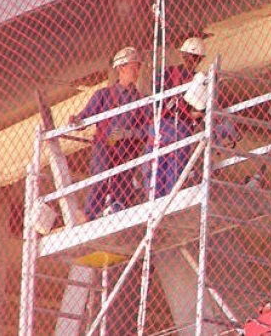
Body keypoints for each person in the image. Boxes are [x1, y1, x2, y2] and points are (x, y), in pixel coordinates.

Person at [71, 46, 145, 220]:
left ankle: (117, 209)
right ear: (121, 68)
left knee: (123, 182)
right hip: (105, 145)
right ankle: (90, 213)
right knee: (101, 174)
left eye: (138, 67)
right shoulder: (103, 95)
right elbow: (85, 116)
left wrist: (127, 134)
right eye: (134, 67)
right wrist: (76, 120)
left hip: (127, 150)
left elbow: (146, 130)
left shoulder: (140, 100)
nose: (137, 71)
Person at [143, 36, 212, 197]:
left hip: (175, 126)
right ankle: (160, 201)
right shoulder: (173, 74)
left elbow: (199, 109)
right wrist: (191, 112)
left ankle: (163, 201)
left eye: (194, 58)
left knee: (167, 168)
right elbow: (160, 100)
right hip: (169, 124)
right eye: (190, 57)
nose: (192, 61)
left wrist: (193, 113)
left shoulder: (196, 80)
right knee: (163, 168)